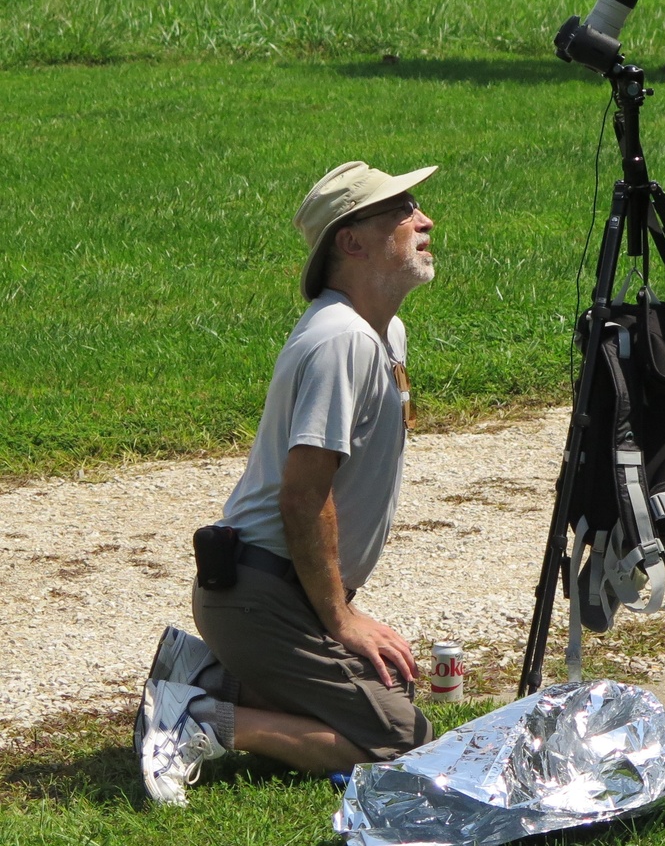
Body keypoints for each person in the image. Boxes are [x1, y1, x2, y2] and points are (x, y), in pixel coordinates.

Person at [135, 160, 439, 806]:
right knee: (405, 741)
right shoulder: (341, 341)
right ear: (351, 243)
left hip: (279, 591)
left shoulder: (385, 333)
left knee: (395, 687)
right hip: (262, 593)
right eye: (402, 211)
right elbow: (303, 496)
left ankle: (209, 678)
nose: (424, 220)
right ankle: (204, 720)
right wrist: (341, 616)